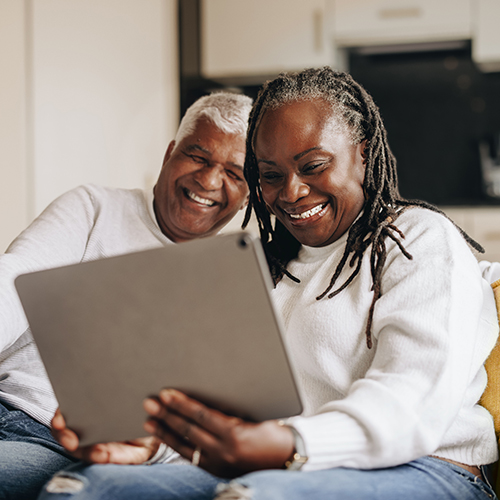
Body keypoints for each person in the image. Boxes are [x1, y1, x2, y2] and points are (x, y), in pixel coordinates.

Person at [37, 67, 499, 500]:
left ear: (363, 153)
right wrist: (152, 447)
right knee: (82, 487)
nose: (291, 192)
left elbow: (413, 402)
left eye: (313, 166)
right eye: (270, 176)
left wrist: (287, 443)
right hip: (283, 466)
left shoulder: (417, 239)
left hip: (426, 466)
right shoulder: (261, 263)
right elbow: (231, 418)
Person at [0, 91, 252, 500]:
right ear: (171, 152)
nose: (208, 181)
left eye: (235, 174)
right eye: (198, 157)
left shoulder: (235, 282)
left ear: (248, 194)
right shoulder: (94, 208)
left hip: (57, 443)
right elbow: (13, 280)